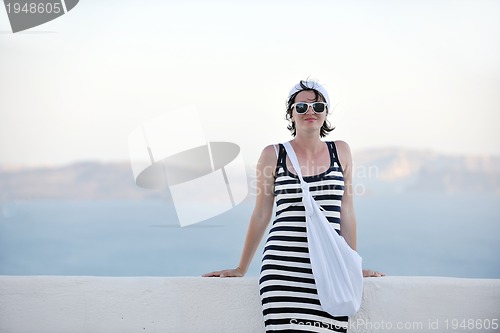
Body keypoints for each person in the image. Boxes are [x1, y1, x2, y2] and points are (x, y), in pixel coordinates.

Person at [203, 80, 384, 332]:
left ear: (326, 113)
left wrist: (350, 266)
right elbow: (261, 213)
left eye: (317, 106)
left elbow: (347, 211)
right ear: (291, 113)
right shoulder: (273, 154)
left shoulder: (341, 152)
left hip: (329, 271)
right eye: (301, 106)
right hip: (282, 270)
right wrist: (241, 267)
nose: (310, 111)